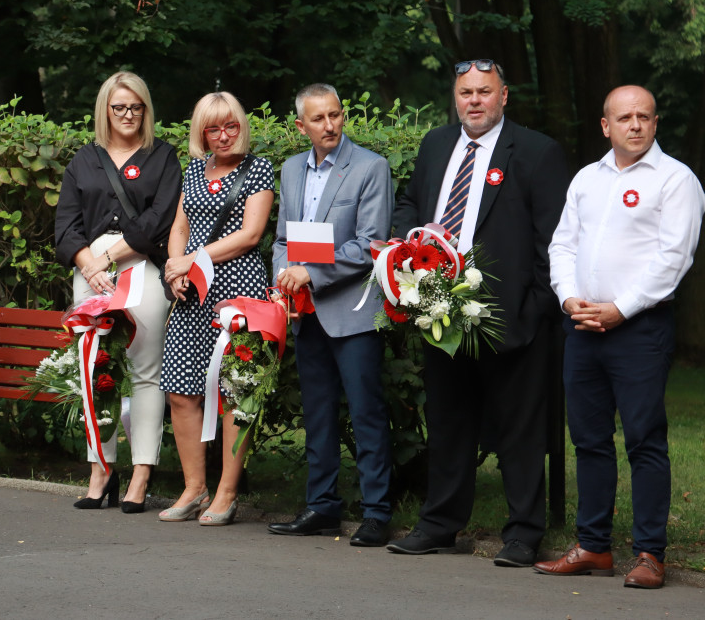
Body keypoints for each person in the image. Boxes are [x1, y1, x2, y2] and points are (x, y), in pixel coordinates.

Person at [387, 60, 569, 566]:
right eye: (465, 92)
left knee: (519, 429)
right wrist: (405, 248)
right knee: (447, 423)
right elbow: (408, 202)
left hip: (510, 319)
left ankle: (523, 534)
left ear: (503, 96)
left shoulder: (536, 152)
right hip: (440, 312)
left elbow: (553, 241)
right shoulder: (436, 145)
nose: (474, 101)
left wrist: (533, 311)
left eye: (484, 92)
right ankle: (440, 524)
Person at [536, 86, 705, 588]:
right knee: (588, 439)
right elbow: (563, 243)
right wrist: (569, 299)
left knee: (644, 440)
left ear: (655, 123)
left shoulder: (676, 180)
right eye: (624, 117)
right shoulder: (588, 178)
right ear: (605, 126)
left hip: (640, 329)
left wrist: (620, 309)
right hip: (582, 325)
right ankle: (593, 546)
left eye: (644, 117)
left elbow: (673, 259)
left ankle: (651, 554)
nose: (635, 124)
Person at [268, 84, 395, 545]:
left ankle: (378, 513)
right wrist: (286, 276)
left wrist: (310, 273)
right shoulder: (289, 170)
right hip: (305, 312)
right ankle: (322, 506)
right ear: (300, 125)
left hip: (354, 311)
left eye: (336, 115)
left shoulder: (370, 167)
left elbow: (371, 243)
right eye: (318, 119)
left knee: (366, 413)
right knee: (317, 414)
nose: (330, 126)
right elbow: (282, 238)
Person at [55, 71, 181, 512]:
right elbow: (65, 226)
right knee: (94, 372)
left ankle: (142, 472)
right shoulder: (83, 160)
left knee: (145, 371)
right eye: (119, 107)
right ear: (104, 110)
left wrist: (110, 258)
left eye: (136, 107)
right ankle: (101, 469)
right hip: (90, 271)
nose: (128, 115)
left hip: (141, 267)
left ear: (146, 110)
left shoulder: (163, 156)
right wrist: (88, 263)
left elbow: (161, 218)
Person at [158, 91, 274, 526]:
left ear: (241, 126)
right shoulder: (193, 170)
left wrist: (192, 259)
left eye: (231, 126)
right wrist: (175, 268)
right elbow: (179, 227)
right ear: (201, 133)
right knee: (181, 390)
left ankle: (226, 492)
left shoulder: (258, 168)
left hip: (238, 291)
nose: (224, 135)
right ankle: (194, 488)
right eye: (213, 128)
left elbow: (250, 235)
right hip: (191, 291)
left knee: (234, 393)